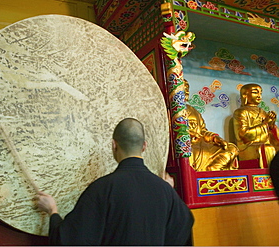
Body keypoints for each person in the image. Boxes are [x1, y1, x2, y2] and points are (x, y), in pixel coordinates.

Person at [36, 118, 194, 245]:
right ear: (144, 146)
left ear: (114, 145)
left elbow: (72, 240)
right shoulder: (164, 190)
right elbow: (184, 224)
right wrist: (169, 192)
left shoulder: (101, 189)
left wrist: (53, 212)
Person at [183, 79, 239, 171]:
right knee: (187, 154)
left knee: (231, 148)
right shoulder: (169, 112)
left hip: (202, 143)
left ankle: (214, 168)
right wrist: (190, 135)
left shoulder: (194, 111)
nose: (186, 91)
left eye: (187, 89)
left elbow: (203, 131)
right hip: (188, 145)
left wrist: (215, 138)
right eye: (183, 89)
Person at [233, 83, 279, 168]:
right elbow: (242, 135)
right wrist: (265, 124)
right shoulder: (241, 112)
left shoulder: (263, 112)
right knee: (268, 149)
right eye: (255, 92)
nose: (259, 96)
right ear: (244, 95)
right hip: (248, 146)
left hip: (265, 142)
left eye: (260, 93)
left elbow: (271, 133)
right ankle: (268, 176)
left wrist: (271, 125)